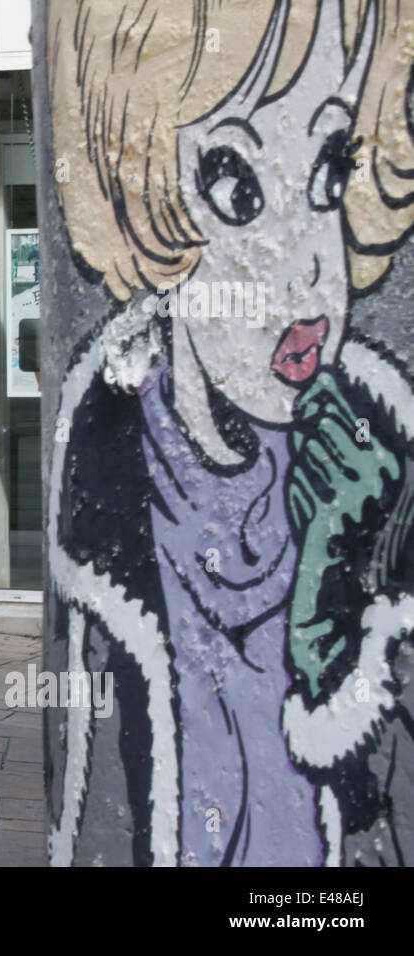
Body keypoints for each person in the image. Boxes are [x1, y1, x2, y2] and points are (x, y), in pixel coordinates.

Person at [46, 0, 414, 866]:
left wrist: (347, 602)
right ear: (147, 204)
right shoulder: (100, 476)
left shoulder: (378, 477)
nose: (311, 270)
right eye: (235, 185)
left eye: (329, 171)